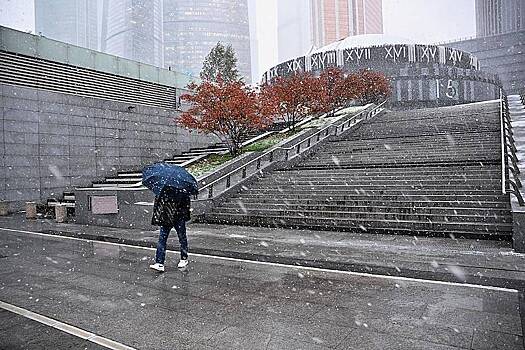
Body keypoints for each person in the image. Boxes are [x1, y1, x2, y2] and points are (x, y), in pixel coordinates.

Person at [149, 186, 191, 272]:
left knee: (179, 238)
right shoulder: (167, 188)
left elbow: (186, 204)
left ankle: (183, 258)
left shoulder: (179, 189)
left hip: (176, 217)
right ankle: (160, 262)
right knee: (164, 239)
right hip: (168, 217)